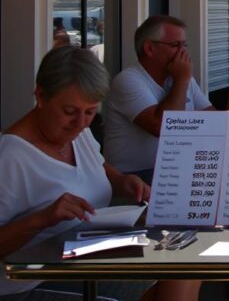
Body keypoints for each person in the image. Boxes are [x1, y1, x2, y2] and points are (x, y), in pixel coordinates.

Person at [0, 46, 200, 300]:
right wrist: (43, 218)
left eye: (90, 112)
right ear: (40, 96)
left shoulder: (77, 133)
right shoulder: (11, 156)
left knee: (185, 256)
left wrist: (122, 182)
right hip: (29, 283)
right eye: (69, 111)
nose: (81, 122)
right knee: (177, 271)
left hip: (86, 257)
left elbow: (96, 167)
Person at [105, 16, 212, 184]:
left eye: (184, 45)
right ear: (149, 48)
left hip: (178, 168)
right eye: (175, 45)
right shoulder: (128, 80)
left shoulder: (183, 78)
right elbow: (164, 127)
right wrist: (181, 80)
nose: (183, 53)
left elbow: (212, 118)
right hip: (134, 177)